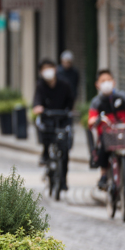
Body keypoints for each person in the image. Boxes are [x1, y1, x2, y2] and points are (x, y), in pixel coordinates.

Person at [88, 69, 125, 196]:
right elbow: (91, 119)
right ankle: (103, 175)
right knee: (103, 149)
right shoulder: (96, 102)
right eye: (103, 81)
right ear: (97, 84)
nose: (106, 83)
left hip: (124, 134)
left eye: (108, 80)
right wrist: (93, 120)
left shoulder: (122, 97)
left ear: (113, 82)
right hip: (107, 135)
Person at [31, 58, 75, 187]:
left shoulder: (64, 84)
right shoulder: (40, 85)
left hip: (62, 118)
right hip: (48, 118)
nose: (47, 72)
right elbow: (37, 100)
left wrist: (69, 111)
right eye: (44, 69)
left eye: (49, 68)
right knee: (45, 132)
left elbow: (70, 101)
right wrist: (38, 107)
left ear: (55, 69)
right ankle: (45, 153)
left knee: (64, 149)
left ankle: (63, 180)